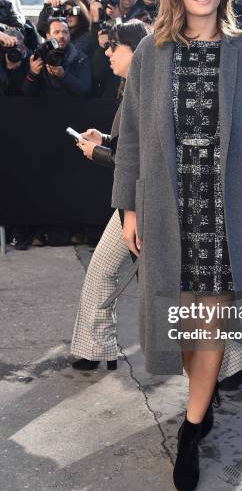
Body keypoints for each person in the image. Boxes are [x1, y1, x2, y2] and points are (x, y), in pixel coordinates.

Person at [112, 0, 242, 491]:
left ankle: (190, 431)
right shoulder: (151, 53)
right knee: (183, 320)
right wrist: (129, 207)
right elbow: (133, 136)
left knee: (209, 318)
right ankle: (200, 400)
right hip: (169, 205)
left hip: (221, 205)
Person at [70, 20, 151, 370]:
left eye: (114, 46)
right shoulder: (136, 87)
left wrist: (97, 153)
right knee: (103, 271)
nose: (106, 52)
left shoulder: (147, 90)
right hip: (133, 203)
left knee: (183, 288)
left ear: (136, 51)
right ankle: (96, 349)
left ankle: (230, 363)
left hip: (146, 204)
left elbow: (143, 158)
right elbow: (132, 147)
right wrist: (103, 139)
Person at [22, 17, 91, 97]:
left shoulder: (80, 58)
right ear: (48, 35)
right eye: (56, 32)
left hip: (72, 107)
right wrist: (33, 73)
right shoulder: (39, 56)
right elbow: (26, 93)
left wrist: (63, 75)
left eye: (65, 32)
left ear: (69, 35)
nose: (61, 36)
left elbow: (86, 92)